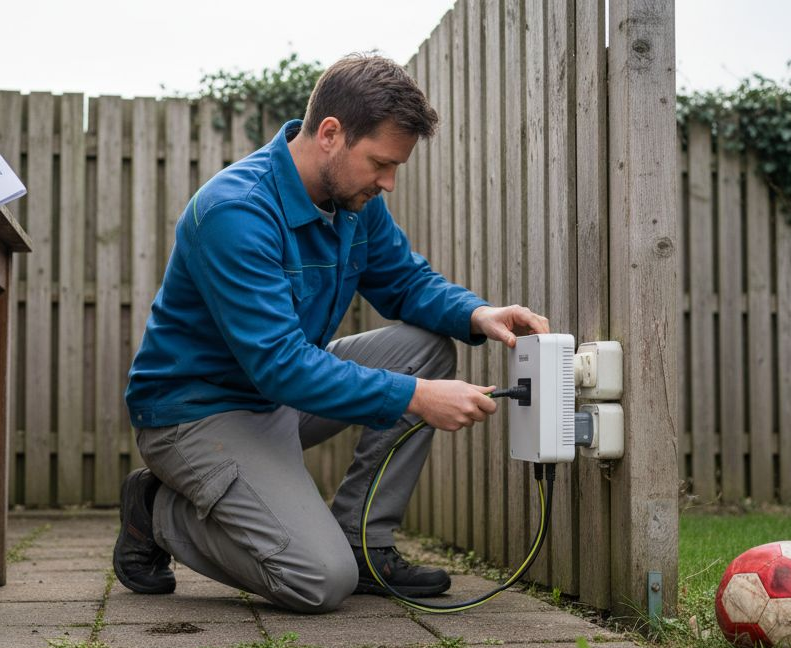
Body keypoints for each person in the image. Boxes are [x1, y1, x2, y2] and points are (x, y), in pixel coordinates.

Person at [117, 54, 549, 614]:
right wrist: (416, 398)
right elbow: (282, 364)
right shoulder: (235, 213)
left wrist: (477, 313)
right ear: (330, 134)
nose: (388, 182)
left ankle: (363, 539)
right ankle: (155, 510)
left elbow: (404, 282)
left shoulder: (351, 201)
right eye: (380, 163)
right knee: (318, 580)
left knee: (424, 350)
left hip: (276, 396)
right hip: (196, 413)